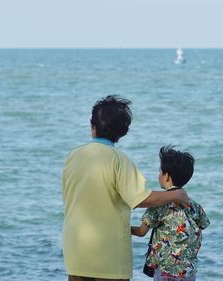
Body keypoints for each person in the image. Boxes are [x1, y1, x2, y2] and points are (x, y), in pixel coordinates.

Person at [62, 95, 190, 281]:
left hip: (75, 248)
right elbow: (139, 198)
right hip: (108, 253)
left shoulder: (73, 156)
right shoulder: (119, 160)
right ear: (123, 132)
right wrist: (175, 195)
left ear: (93, 127)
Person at [131, 145, 210, 281]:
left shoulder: (158, 205)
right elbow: (203, 224)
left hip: (165, 270)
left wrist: (123, 228)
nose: (159, 175)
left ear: (166, 176)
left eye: (160, 171)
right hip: (188, 271)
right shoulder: (194, 205)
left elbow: (141, 232)